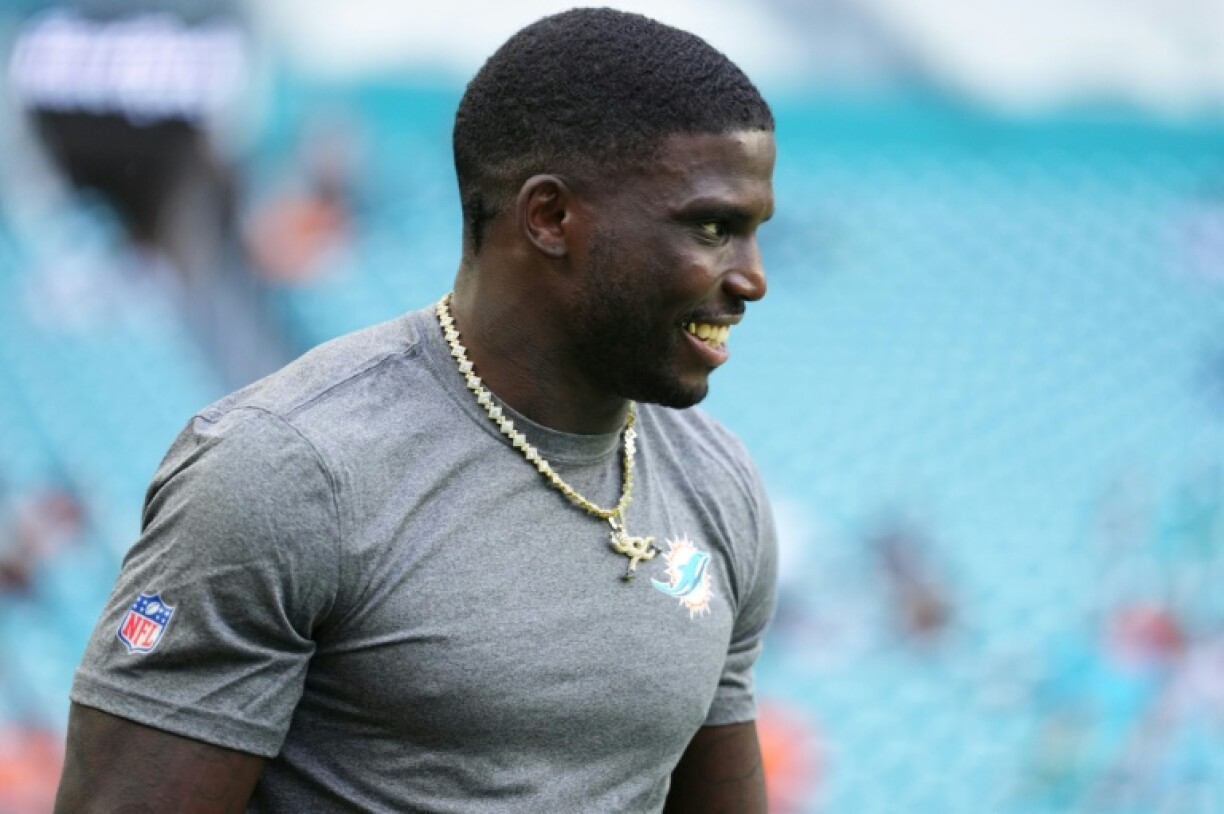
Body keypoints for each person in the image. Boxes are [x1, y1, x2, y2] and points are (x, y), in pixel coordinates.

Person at [54, 8, 779, 812]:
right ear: (549, 218)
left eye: (753, 234)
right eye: (713, 229)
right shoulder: (286, 471)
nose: (751, 278)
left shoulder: (718, 484)